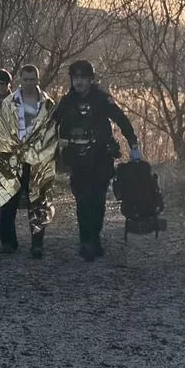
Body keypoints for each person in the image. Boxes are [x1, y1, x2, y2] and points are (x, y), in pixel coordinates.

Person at [51, 59, 142, 260]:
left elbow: (121, 119)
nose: (79, 82)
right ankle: (86, 241)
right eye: (75, 77)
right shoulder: (67, 101)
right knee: (82, 200)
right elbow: (52, 124)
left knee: (97, 199)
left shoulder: (101, 99)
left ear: (91, 79)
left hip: (101, 156)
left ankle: (95, 238)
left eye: (83, 77)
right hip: (77, 157)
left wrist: (133, 144)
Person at [0, 65, 54, 256]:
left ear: (38, 80)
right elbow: (2, 129)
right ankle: (8, 241)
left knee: (38, 201)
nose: (29, 83)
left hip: (37, 157)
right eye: (26, 79)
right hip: (14, 156)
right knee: (9, 199)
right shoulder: (9, 102)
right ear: (20, 80)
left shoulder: (47, 103)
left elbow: (52, 131)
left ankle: (37, 243)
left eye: (32, 79)